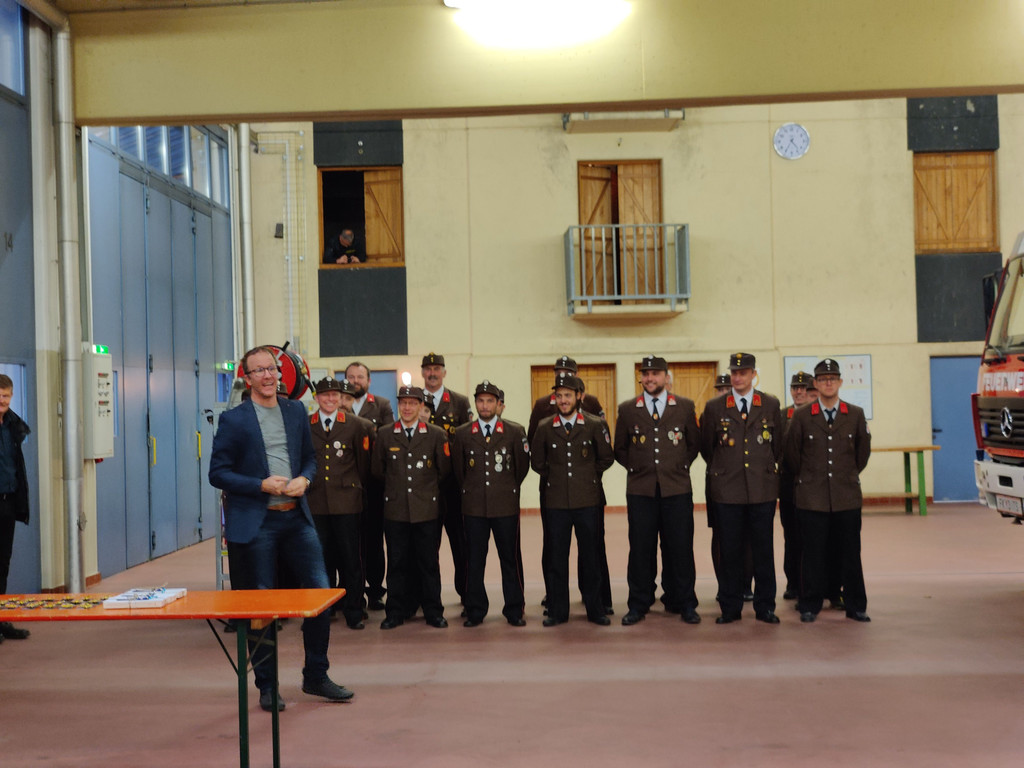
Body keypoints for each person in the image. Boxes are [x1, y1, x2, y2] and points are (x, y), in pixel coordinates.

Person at [209, 346, 353, 712]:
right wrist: (260, 485)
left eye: (271, 369)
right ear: (247, 378)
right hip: (256, 524)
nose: (267, 376)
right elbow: (218, 473)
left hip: (295, 519)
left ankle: (316, 675)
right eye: (258, 371)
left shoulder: (295, 411)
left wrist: (306, 478)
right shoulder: (234, 420)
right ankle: (267, 686)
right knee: (261, 607)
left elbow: (309, 458)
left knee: (319, 594)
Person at [615, 356, 702, 626]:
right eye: (646, 374)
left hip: (677, 489)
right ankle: (638, 604)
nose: (650, 378)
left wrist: (675, 467)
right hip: (641, 491)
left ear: (666, 377)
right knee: (641, 550)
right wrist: (640, 469)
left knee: (680, 549)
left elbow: (693, 444)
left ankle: (684, 602)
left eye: (655, 373)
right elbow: (620, 448)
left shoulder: (684, 407)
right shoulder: (628, 409)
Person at [785, 359, 872, 623]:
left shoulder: (855, 414)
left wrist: (845, 476)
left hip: (846, 496)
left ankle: (856, 605)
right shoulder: (802, 416)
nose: (828, 383)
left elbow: (861, 454)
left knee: (850, 554)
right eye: (823, 379)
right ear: (816, 384)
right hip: (812, 498)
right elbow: (792, 455)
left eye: (832, 378)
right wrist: (811, 479)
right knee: (812, 554)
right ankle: (810, 604)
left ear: (840, 382)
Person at [700, 352, 783, 625]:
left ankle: (765, 607)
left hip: (762, 489)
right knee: (730, 551)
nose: (737, 377)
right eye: (734, 373)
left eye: (743, 372)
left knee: (763, 551)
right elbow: (707, 448)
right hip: (728, 490)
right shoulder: (715, 407)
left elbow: (777, 446)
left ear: (753, 374)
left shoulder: (769, 404)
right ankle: (730, 607)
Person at [527, 355, 613, 616]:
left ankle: (596, 608)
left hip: (587, 499)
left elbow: (606, 457)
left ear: (578, 396)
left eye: (568, 395)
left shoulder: (594, 422)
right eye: (559, 396)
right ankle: (557, 609)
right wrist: (558, 477)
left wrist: (585, 476)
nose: (563, 400)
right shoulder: (544, 425)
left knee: (591, 556)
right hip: (555, 500)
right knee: (556, 557)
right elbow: (537, 460)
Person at [371, 385, 451, 629]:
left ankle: (433, 611)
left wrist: (423, 493)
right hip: (396, 510)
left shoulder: (436, 434)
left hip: (426, 510)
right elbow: (378, 470)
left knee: (429, 563)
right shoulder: (385, 434)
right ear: (398, 405)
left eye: (412, 403)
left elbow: (444, 470)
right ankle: (395, 612)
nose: (407, 408)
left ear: (421, 406)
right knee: (397, 563)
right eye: (403, 403)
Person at [452, 381, 530, 627]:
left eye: (489, 401)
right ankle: (475, 610)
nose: (484, 405)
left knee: (510, 559)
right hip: (474, 507)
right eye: (480, 400)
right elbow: (459, 471)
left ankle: (514, 609)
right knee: (474, 560)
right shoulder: (463, 433)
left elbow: (521, 468)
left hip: (505, 505)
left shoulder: (514, 431)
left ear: (498, 404)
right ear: (475, 403)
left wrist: (504, 488)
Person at [307, 377, 374, 630]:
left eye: (335, 395)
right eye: (325, 395)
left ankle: (354, 610)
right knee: (320, 560)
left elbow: (363, 464)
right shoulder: (307, 424)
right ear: (317, 398)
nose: (330, 399)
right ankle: (322, 610)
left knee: (351, 559)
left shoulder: (355, 425)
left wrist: (353, 488)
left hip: (347, 501)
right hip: (316, 502)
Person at [420, 352, 472, 602]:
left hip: (453, 487)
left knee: (460, 544)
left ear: (444, 372)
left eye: (437, 369)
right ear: (422, 373)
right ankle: (427, 598)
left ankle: (466, 594)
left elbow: (467, 442)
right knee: (426, 547)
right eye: (428, 369)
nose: (432, 373)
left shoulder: (459, 402)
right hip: (424, 486)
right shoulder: (414, 401)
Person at [345, 361, 393, 611]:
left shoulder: (382, 405)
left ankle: (375, 591)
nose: (355, 381)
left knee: (374, 541)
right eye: (351, 377)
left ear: (369, 381)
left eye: (360, 377)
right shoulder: (339, 405)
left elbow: (386, 439)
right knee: (348, 541)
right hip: (346, 484)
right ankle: (349, 590)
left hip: (373, 485)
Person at [0, 374, 31, 644]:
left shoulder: (13, 425)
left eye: (6, 395)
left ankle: (1, 620)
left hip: (8, 501)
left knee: (3, 563)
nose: (2, 400)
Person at [780, 370, 814, 600]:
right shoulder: (782, 415)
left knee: (812, 538)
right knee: (791, 537)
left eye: (803, 388)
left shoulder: (816, 414)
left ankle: (815, 584)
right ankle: (793, 582)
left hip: (813, 487)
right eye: (795, 388)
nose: (799, 391)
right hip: (788, 486)